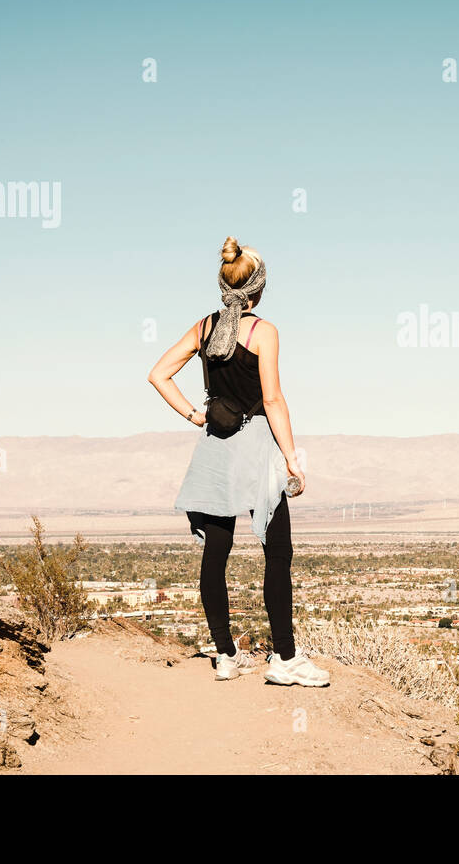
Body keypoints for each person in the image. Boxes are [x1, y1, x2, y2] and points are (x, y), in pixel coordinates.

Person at [147, 236, 328, 687]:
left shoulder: (205, 328)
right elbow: (272, 398)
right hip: (258, 448)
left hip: (215, 447)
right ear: (259, 290)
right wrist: (292, 459)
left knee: (216, 553)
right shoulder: (262, 331)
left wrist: (195, 414)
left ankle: (226, 655)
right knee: (277, 553)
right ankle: (284, 659)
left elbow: (158, 373)